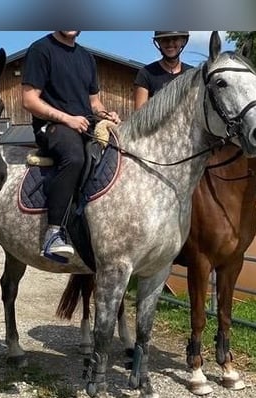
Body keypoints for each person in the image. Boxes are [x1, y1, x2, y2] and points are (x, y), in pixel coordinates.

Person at [21, 31, 121, 262]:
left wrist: (108, 114)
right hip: (52, 126)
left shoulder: (86, 57)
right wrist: (67, 118)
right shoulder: (41, 49)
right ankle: (53, 233)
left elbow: (94, 103)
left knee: (117, 152)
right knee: (75, 157)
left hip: (83, 124)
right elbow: (29, 100)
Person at [134, 31, 193, 109]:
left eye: (175, 39)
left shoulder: (192, 74)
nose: (170, 43)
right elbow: (139, 114)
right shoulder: (146, 73)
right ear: (158, 42)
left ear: (183, 41)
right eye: (165, 39)